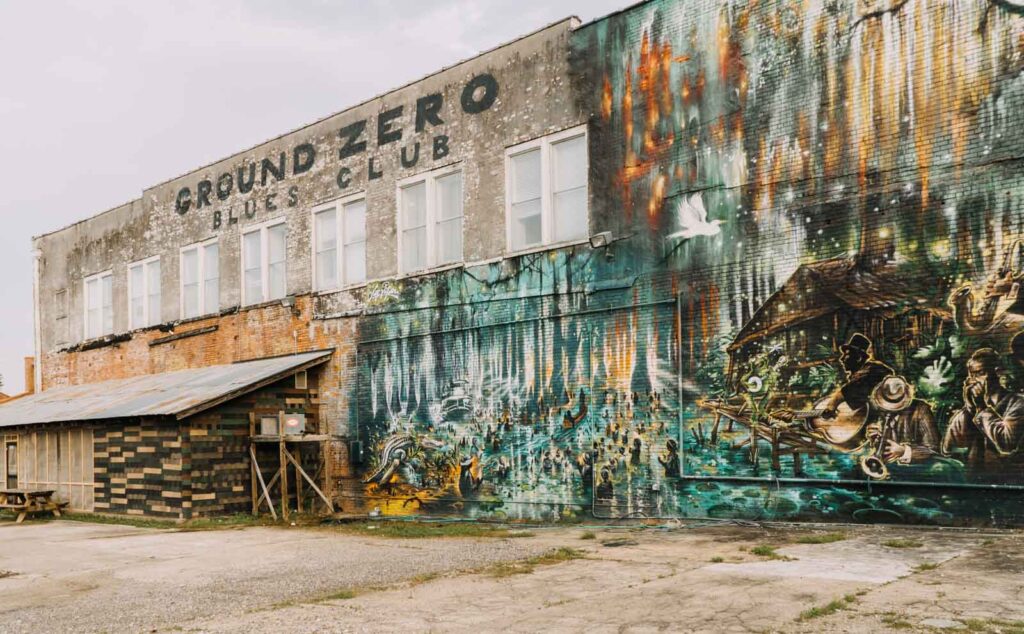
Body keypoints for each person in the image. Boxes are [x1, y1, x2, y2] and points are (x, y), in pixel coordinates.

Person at [942, 348, 1024, 473]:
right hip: (974, 479)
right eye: (971, 375)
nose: (973, 381)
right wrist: (970, 410)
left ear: (996, 373)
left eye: (979, 373)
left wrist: (981, 408)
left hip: (1006, 479)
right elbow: (948, 449)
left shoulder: (1017, 403)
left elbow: (1007, 443)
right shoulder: (969, 410)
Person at [864, 376, 940, 467]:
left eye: (894, 404)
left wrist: (904, 451)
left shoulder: (921, 410)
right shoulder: (879, 410)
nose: (888, 409)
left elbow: (934, 449)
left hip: (915, 470)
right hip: (890, 467)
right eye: (887, 403)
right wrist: (875, 440)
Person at [821, 333, 894, 417]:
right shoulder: (859, 374)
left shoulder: (874, 369)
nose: (841, 359)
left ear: (858, 358)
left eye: (846, 354)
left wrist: (832, 404)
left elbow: (851, 389)